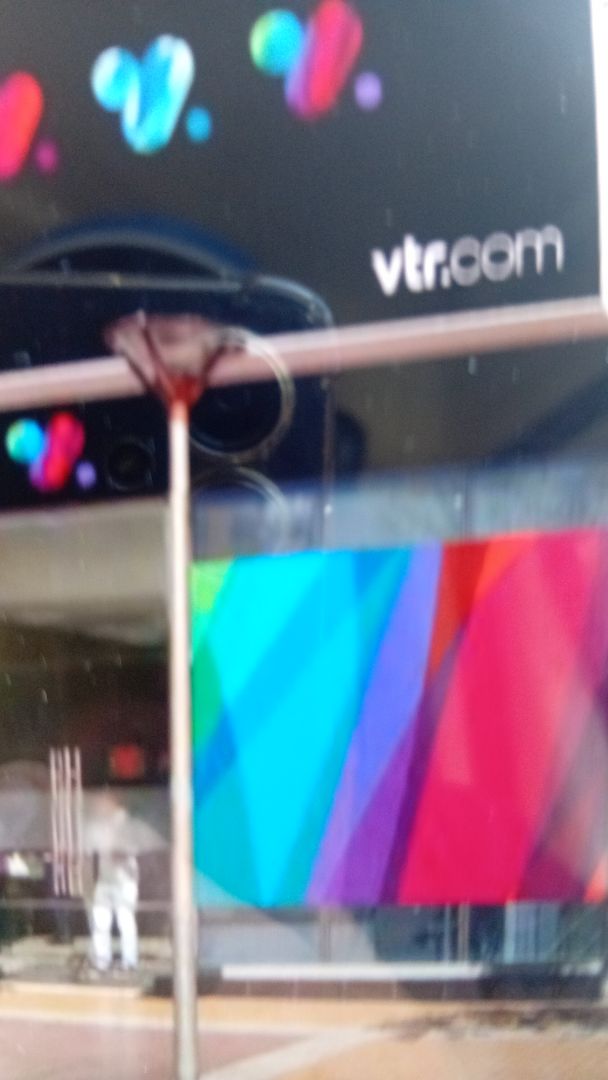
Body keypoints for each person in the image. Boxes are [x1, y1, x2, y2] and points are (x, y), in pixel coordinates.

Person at [85, 788, 139, 972]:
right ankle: (102, 960)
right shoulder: (100, 825)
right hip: (105, 880)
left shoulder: (126, 823)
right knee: (100, 921)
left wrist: (115, 847)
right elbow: (93, 849)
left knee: (125, 921)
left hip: (125, 881)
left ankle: (129, 961)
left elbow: (131, 850)